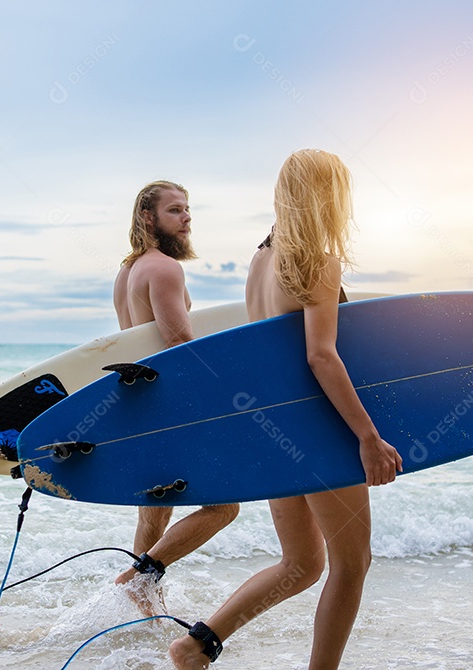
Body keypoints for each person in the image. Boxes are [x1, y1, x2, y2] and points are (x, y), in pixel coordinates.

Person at [168, 150, 404, 669]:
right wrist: (367, 436)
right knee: (351, 562)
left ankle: (194, 647)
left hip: (276, 432)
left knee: (301, 565)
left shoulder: (262, 259)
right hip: (318, 432)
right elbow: (321, 355)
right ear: (329, 197)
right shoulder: (317, 261)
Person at [111, 180, 240, 604]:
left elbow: (133, 343)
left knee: (155, 514)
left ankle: (145, 610)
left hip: (143, 409)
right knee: (225, 508)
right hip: (173, 406)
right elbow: (181, 348)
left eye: (188, 211)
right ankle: (139, 576)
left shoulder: (126, 273)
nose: (186, 219)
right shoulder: (165, 268)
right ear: (148, 217)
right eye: (176, 211)